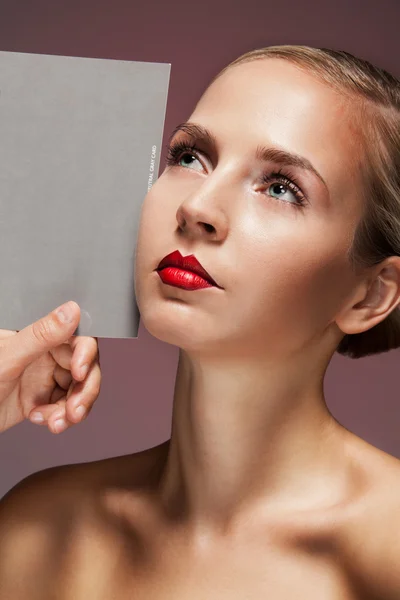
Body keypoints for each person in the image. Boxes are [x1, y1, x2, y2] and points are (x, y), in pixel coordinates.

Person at [0, 44, 400, 599]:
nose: (198, 208)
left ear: (370, 293)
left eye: (281, 188)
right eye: (190, 157)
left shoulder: (386, 549)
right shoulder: (39, 530)